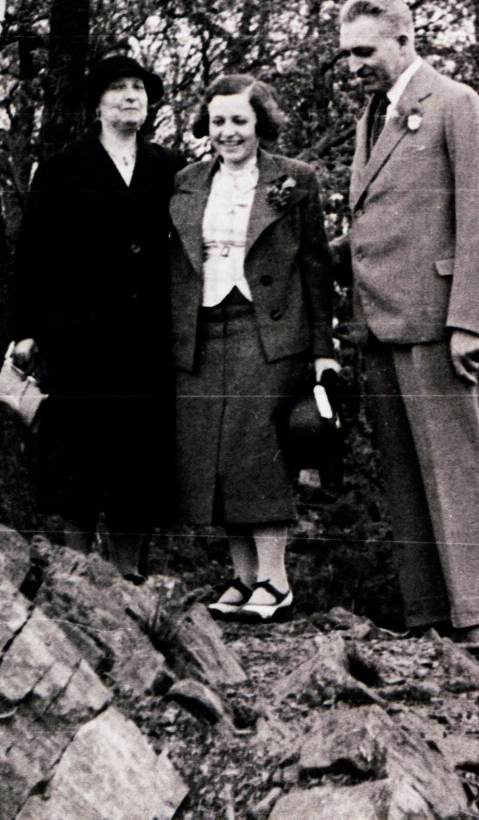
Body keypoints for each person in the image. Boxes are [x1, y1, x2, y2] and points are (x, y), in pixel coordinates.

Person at [333, 0, 479, 657]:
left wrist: (470, 320)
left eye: (365, 51)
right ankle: (428, 619)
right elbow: (378, 224)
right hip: (378, 324)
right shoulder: (371, 118)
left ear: (404, 40)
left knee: (456, 472)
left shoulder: (457, 106)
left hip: (440, 325)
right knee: (405, 478)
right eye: (346, 53)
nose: (352, 65)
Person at [170, 75, 339, 622]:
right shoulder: (187, 181)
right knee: (213, 455)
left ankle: (276, 580)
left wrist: (323, 349)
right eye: (218, 121)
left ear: (260, 122)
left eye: (239, 120)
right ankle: (243, 578)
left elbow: (316, 267)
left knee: (257, 451)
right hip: (201, 333)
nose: (227, 132)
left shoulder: (295, 180)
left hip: (269, 333)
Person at [8, 52, 182, 578]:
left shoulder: (173, 169)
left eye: (139, 88)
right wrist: (24, 331)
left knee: (138, 459)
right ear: (97, 104)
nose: (131, 96)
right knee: (76, 456)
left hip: (149, 337)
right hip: (77, 336)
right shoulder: (62, 169)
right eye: (118, 88)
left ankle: (128, 576)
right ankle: (75, 574)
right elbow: (30, 254)